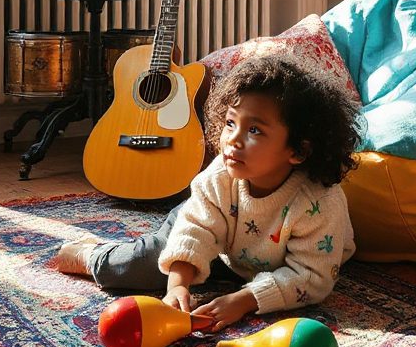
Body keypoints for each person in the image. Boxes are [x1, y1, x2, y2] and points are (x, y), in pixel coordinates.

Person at [56, 55, 362, 330]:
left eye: (254, 130)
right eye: (230, 123)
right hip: (214, 231)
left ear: (298, 150)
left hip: (249, 261)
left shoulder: (319, 201)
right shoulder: (221, 173)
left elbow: (311, 276)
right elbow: (196, 230)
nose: (233, 140)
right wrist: (177, 286)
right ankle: (89, 252)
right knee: (138, 266)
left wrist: (244, 300)